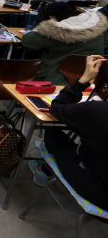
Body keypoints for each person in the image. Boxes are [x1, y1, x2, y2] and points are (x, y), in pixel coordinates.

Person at [27, 56, 108, 207]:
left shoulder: (98, 110)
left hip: (99, 193)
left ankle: (44, 167)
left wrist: (84, 80)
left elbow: (57, 106)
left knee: (53, 132)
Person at [22, 3, 107, 85]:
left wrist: (45, 29)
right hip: (90, 81)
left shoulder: (54, 33)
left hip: (52, 81)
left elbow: (27, 41)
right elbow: (105, 45)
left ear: (52, 18)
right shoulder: (101, 31)